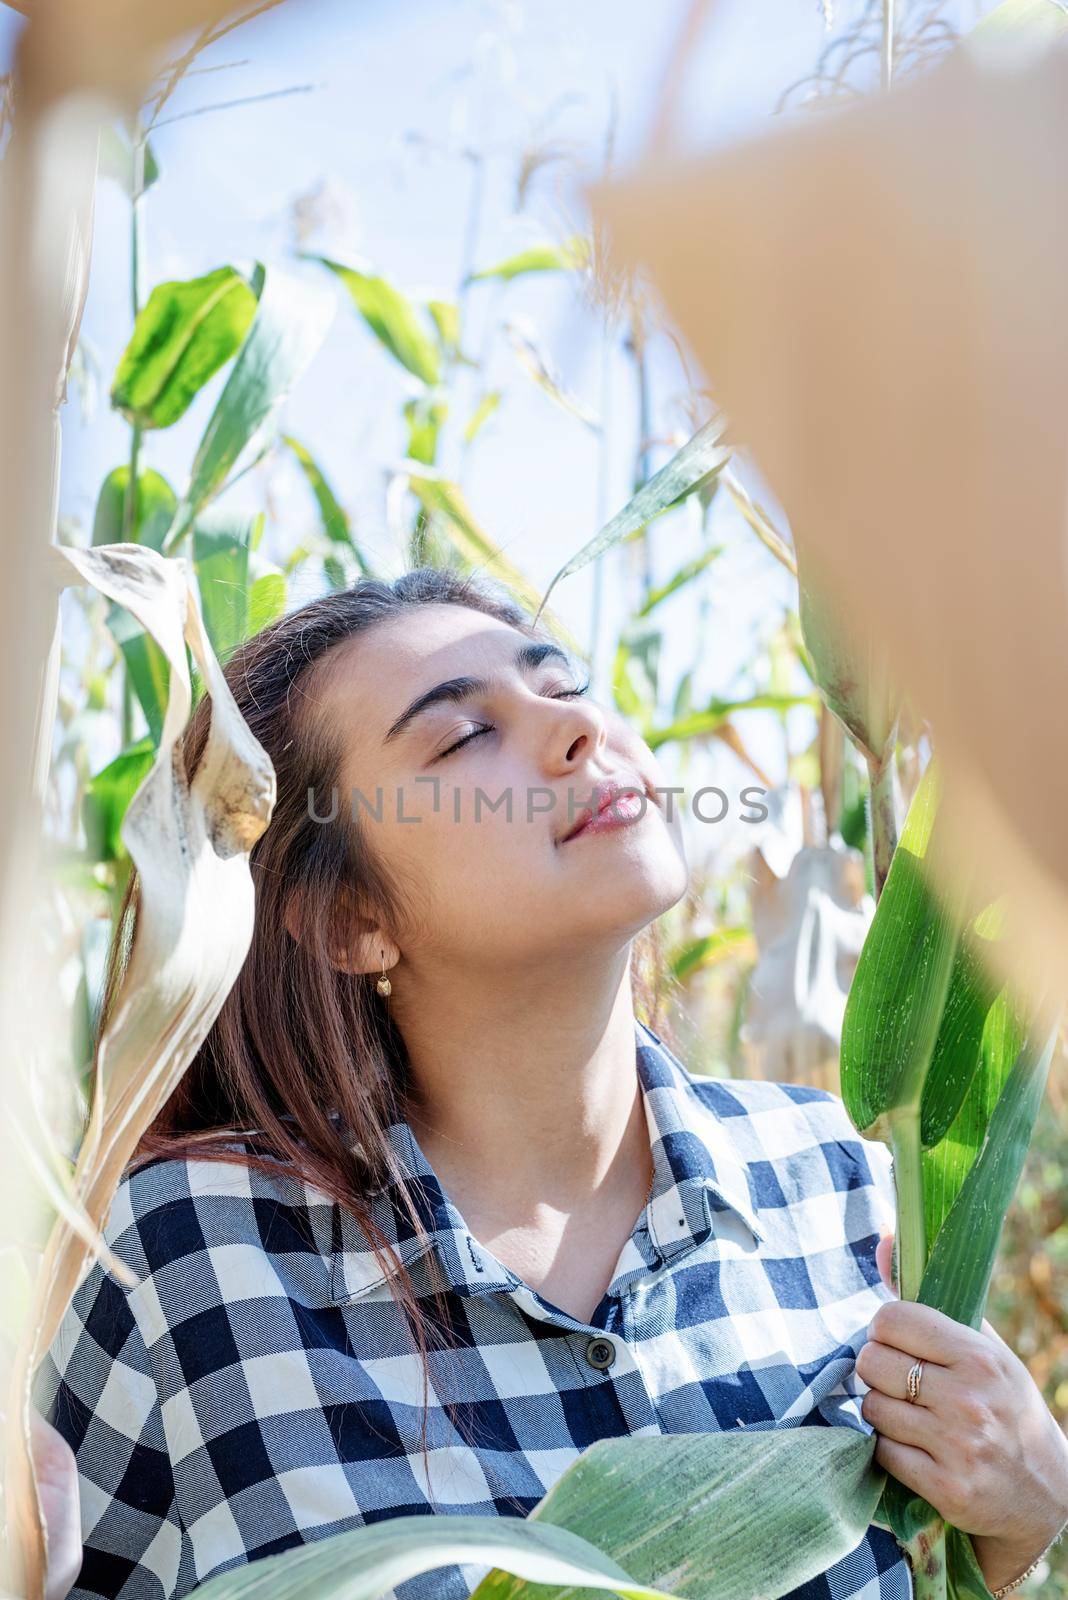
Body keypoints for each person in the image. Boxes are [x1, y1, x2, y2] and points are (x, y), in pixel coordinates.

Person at [33, 568, 1068, 1600]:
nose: (578, 733)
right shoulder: (194, 1255)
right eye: (461, 736)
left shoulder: (835, 1182)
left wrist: (1031, 1520)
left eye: (563, 685)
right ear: (352, 918)